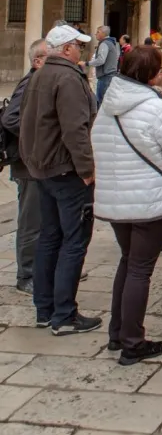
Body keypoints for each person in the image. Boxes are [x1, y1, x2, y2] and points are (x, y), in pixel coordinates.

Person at [91, 46, 162, 365]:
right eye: (161, 68)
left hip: (115, 200)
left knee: (128, 261)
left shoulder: (106, 108)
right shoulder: (157, 109)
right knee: (139, 269)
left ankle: (117, 332)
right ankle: (133, 342)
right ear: (152, 74)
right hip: (149, 201)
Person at [19, 24, 100, 335]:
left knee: (49, 237)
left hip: (44, 169)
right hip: (66, 171)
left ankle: (45, 309)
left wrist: (31, 160)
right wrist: (87, 169)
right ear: (66, 49)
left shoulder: (39, 75)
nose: (81, 51)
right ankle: (64, 314)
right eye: (78, 46)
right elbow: (74, 129)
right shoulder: (67, 78)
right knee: (74, 240)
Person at [0, 39, 48, 293]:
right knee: (31, 221)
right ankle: (26, 275)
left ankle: (44, 268)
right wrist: (38, 137)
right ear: (38, 61)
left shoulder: (42, 81)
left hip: (39, 163)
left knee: (45, 219)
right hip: (27, 164)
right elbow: (10, 118)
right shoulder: (30, 82)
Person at [88, 24, 120, 107]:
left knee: (101, 102)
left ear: (103, 33)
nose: (96, 34)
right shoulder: (111, 43)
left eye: (98, 32)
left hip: (105, 76)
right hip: (109, 75)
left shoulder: (105, 43)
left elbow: (100, 60)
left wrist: (86, 63)